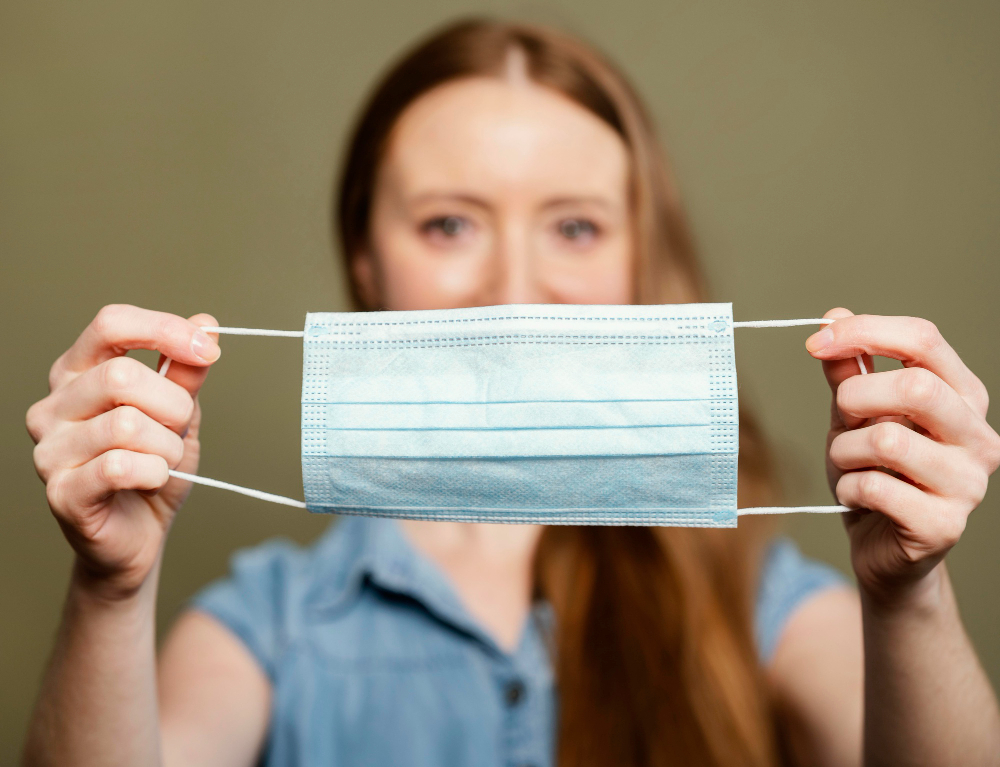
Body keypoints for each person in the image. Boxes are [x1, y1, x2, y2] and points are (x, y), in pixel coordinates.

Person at [22, 18, 1000, 767]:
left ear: (636, 261)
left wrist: (907, 593)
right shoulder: (270, 620)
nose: (515, 287)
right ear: (366, 262)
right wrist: (110, 592)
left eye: (573, 227)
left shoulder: (763, 599)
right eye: (449, 224)